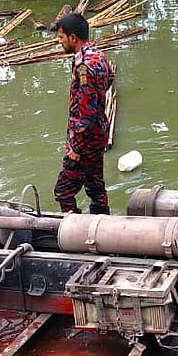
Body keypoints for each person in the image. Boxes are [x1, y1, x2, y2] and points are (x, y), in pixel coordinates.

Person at [53, 12, 114, 215]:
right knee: (95, 185)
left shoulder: (83, 66)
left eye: (61, 37)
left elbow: (85, 112)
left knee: (63, 191)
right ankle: (102, 223)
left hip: (85, 139)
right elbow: (110, 76)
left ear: (73, 38)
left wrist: (76, 148)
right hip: (99, 133)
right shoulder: (99, 56)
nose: (59, 41)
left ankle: (74, 231)